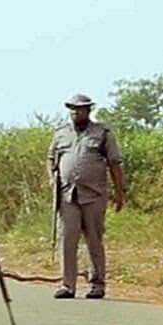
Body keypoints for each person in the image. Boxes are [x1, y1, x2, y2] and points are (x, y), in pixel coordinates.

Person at [47, 94, 125, 299]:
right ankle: (67, 285)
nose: (75, 112)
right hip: (67, 195)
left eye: (80, 108)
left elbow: (114, 164)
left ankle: (97, 284)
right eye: (72, 108)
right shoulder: (60, 134)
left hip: (94, 195)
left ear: (89, 110)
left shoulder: (103, 133)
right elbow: (51, 157)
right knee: (67, 239)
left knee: (94, 240)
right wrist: (52, 176)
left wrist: (119, 192)